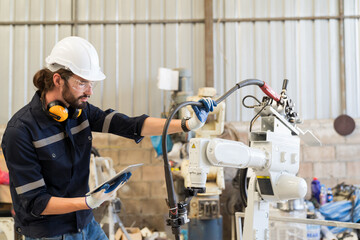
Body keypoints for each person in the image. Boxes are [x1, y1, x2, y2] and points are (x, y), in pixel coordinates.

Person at [1, 36, 217, 240]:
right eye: (82, 83)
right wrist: (88, 201)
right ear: (58, 79)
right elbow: (36, 202)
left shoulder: (80, 111)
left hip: (85, 224)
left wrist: (187, 124)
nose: (90, 92)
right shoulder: (20, 132)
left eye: (92, 83)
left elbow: (132, 125)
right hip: (49, 233)